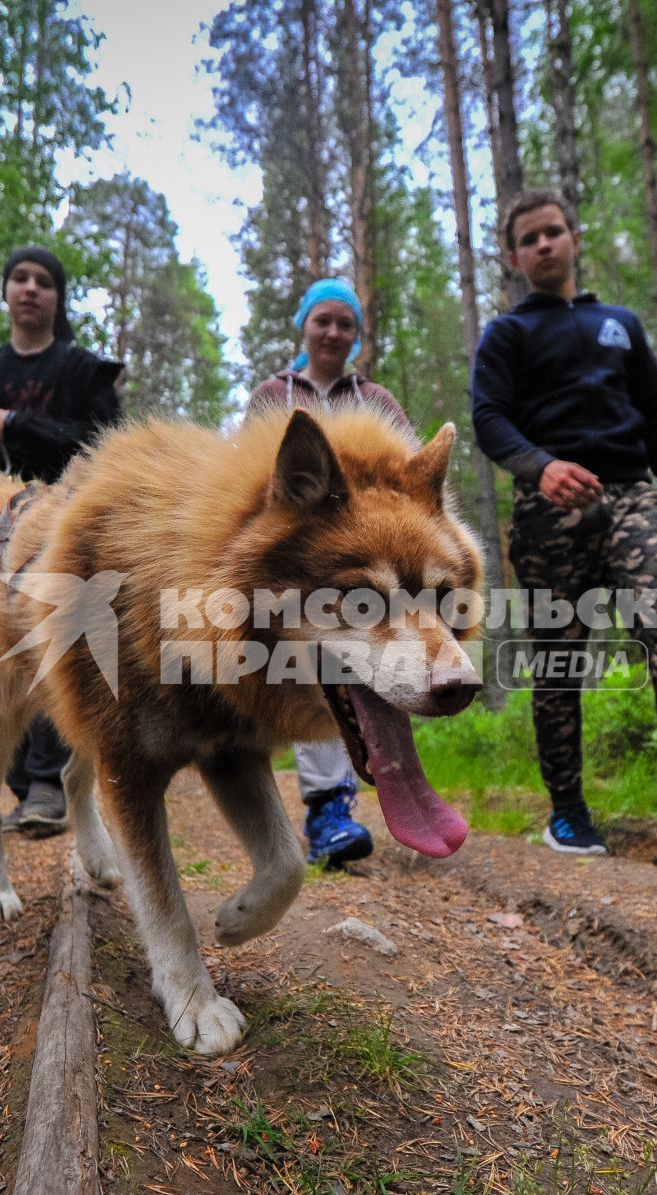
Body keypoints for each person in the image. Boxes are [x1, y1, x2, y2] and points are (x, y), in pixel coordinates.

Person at [470, 191, 657, 865]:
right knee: (559, 660)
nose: (544, 244)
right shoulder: (507, 334)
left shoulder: (621, 324)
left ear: (575, 238)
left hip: (637, 498)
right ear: (514, 255)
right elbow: (489, 420)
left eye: (554, 232)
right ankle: (568, 814)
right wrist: (541, 467)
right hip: (550, 510)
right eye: (530, 238)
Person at [0, 245, 123, 837]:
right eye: (18, 278)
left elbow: (105, 442)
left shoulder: (82, 370)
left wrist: (18, 426)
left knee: (58, 637)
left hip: (66, 526)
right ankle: (23, 784)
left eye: (43, 281)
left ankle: (48, 783)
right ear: (5, 292)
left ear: (57, 297)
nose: (29, 288)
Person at [245, 278, 415, 866]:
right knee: (310, 665)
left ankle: (349, 804)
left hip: (368, 560)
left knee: (367, 670)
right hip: (303, 559)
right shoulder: (274, 393)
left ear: (356, 335)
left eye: (346, 324)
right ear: (304, 326)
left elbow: (407, 470)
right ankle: (324, 808)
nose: (334, 332)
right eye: (324, 321)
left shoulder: (378, 399)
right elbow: (249, 472)